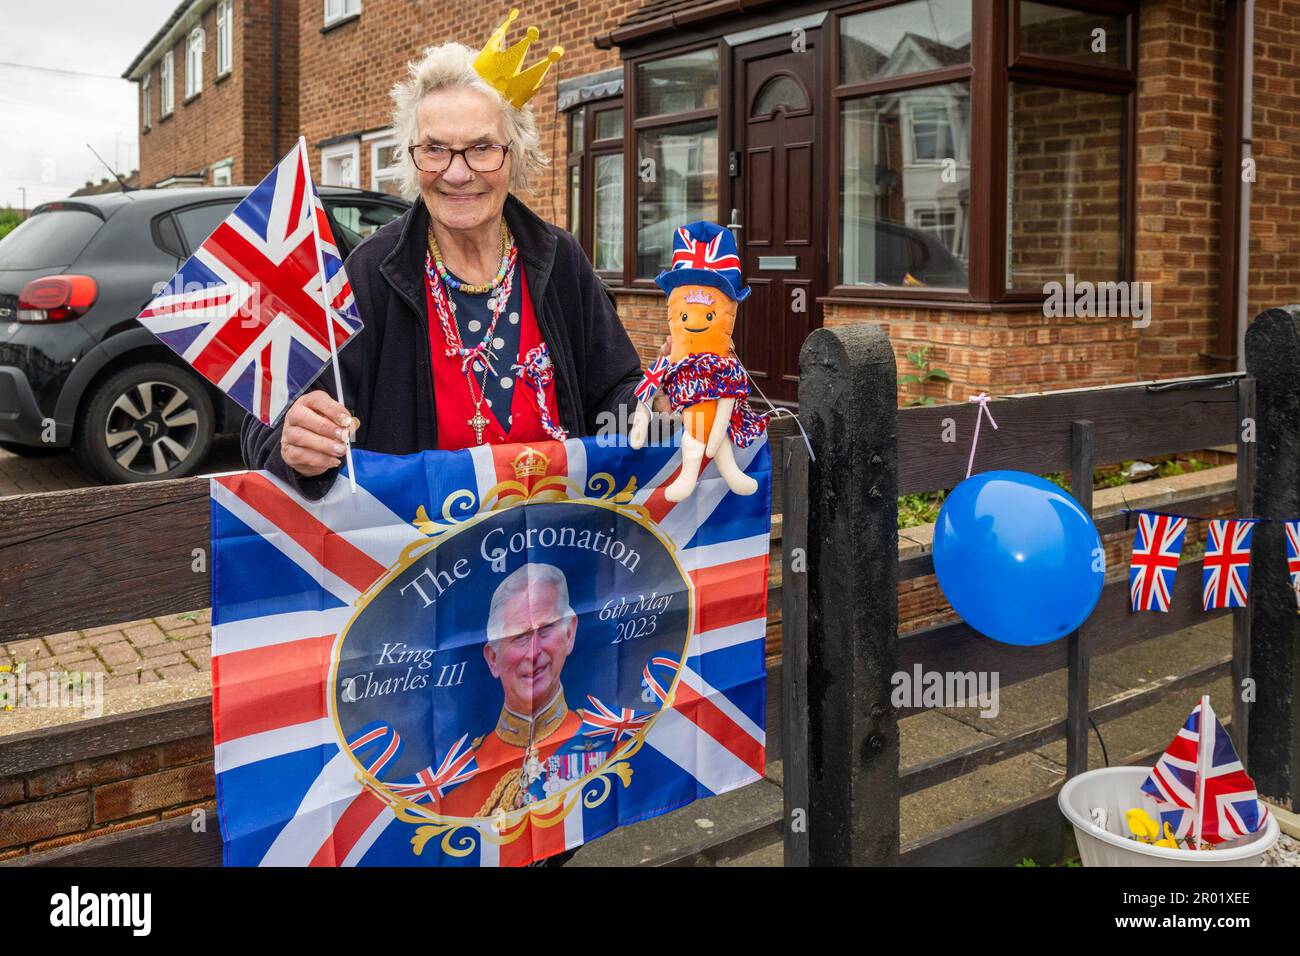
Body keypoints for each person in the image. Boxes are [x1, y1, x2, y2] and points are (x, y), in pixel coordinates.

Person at [241, 14, 662, 497]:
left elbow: (616, 395)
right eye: (435, 150)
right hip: (421, 558)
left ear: (515, 154)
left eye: (482, 148)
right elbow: (268, 423)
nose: (457, 174)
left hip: (558, 542)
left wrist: (665, 397)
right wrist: (295, 441)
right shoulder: (370, 273)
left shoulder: (559, 258)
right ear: (412, 157)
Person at [438, 563, 608, 819]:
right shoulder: (457, 779)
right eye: (519, 636)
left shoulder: (609, 737)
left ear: (570, 634)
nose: (534, 652)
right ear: (493, 658)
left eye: (546, 629)